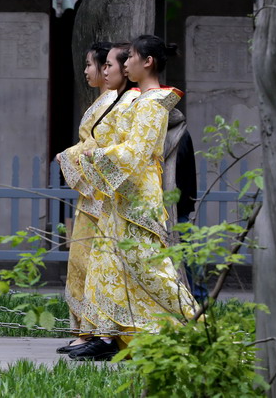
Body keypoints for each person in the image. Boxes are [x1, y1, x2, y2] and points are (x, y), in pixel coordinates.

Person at [67, 35, 198, 361]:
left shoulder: (154, 103)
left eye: (130, 59)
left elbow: (134, 153)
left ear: (147, 62)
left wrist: (88, 160)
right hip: (119, 195)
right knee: (106, 265)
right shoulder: (141, 102)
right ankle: (109, 336)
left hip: (138, 199)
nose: (125, 64)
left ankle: (195, 324)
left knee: (151, 270)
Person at [56, 41, 140, 355]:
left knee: (95, 263)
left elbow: (110, 145)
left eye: (103, 64)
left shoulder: (127, 102)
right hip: (94, 189)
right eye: (97, 65)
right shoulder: (110, 101)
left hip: (105, 191)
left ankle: (98, 332)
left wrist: (74, 157)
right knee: (82, 262)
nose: (98, 71)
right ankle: (86, 329)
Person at [163, 109, 209, 304]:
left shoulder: (178, 134)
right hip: (171, 205)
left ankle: (200, 299)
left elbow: (181, 170)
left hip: (177, 206)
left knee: (186, 251)